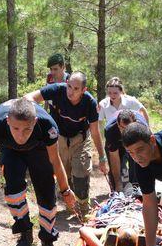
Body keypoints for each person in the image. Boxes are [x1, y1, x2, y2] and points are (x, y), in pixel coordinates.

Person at [0, 98, 76, 246]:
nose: (21, 135)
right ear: (7, 121)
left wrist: (66, 190)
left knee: (47, 192)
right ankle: (25, 235)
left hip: (39, 149)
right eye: (15, 128)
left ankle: (47, 240)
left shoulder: (47, 125)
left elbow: (55, 160)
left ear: (35, 122)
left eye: (27, 129)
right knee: (14, 191)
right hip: (10, 150)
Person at [25, 72, 109, 218]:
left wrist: (102, 158)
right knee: (64, 172)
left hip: (80, 139)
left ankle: (83, 206)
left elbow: (95, 132)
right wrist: (38, 119)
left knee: (80, 171)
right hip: (59, 137)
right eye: (69, 86)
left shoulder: (90, 103)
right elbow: (28, 98)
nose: (70, 91)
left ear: (84, 90)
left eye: (76, 89)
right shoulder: (58, 89)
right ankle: (71, 204)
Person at [105, 109, 147, 194]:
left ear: (134, 123)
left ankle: (136, 187)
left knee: (137, 165)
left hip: (135, 140)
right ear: (117, 124)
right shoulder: (110, 130)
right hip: (117, 143)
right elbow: (114, 157)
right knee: (118, 180)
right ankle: (118, 193)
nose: (125, 132)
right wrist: (118, 183)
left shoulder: (141, 127)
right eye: (122, 128)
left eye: (128, 128)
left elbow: (144, 155)